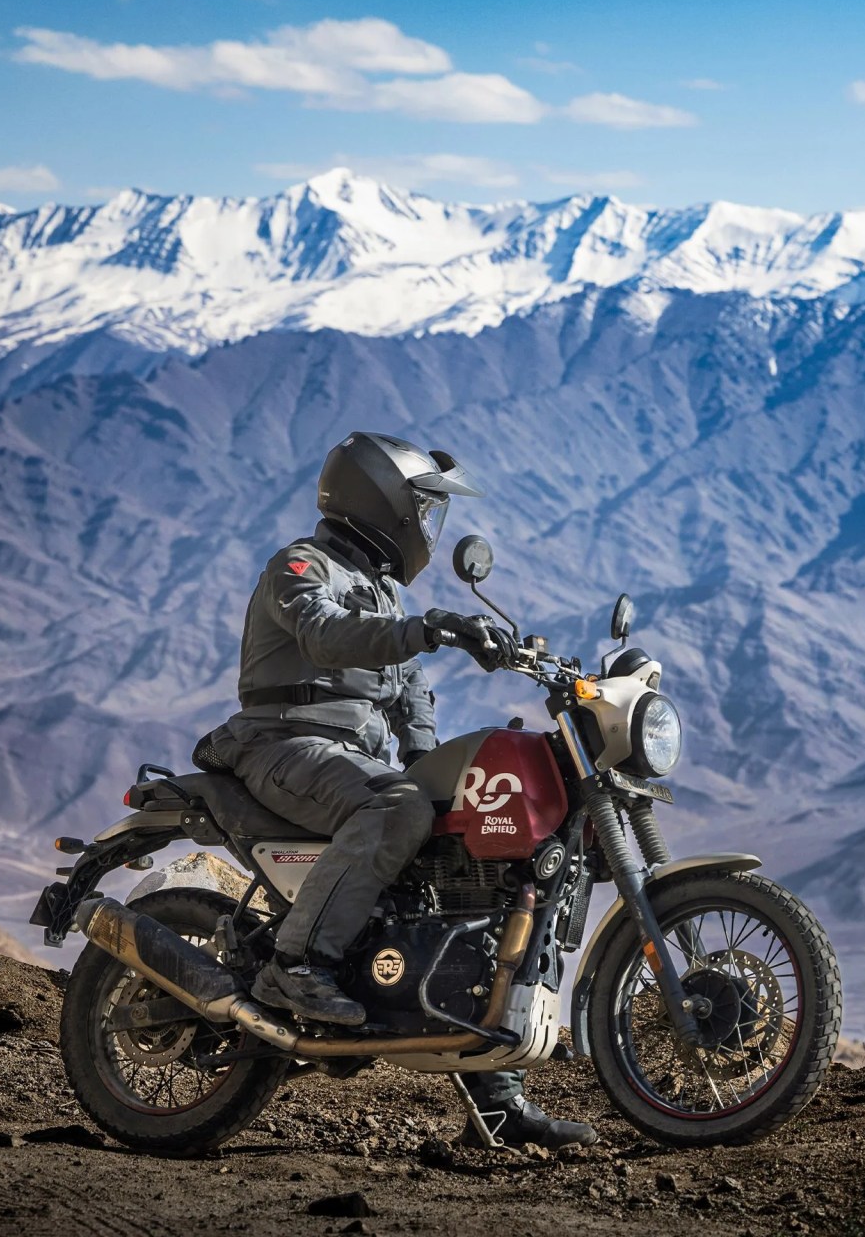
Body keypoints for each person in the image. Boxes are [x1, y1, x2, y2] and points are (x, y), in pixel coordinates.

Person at [198, 431, 596, 1150]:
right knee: (399, 804)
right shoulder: (300, 565)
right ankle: (297, 966)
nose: (429, 529)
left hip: (354, 759)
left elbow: (414, 712)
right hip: (282, 743)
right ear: (383, 503)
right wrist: (422, 629)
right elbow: (326, 635)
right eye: (424, 510)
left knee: (463, 858)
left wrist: (446, 785)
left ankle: (497, 1102)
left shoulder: (385, 594)